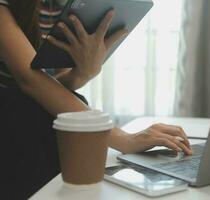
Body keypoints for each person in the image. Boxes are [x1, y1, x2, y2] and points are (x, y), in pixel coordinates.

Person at [0, 0, 193, 199]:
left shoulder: (57, 6)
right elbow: (30, 81)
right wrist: (125, 138)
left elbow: (56, 85)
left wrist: (85, 72)